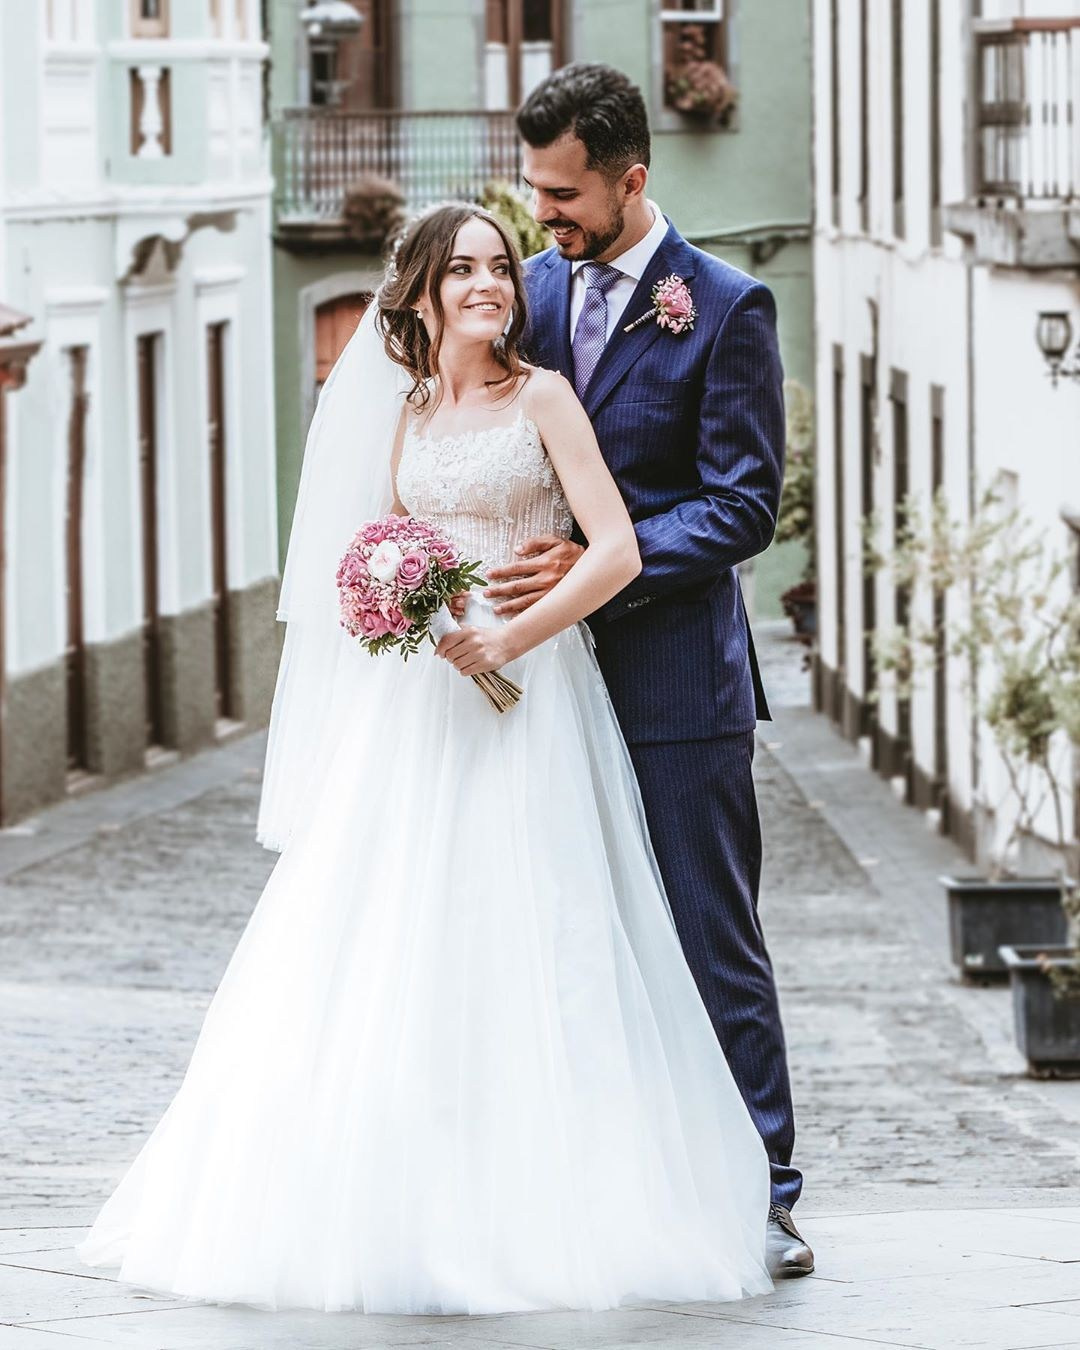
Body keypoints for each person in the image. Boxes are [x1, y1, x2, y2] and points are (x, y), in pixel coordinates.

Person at [75, 203, 773, 1314]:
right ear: (426, 295)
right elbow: (374, 551)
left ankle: (553, 1202)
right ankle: (398, 1195)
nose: (490, 284)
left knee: (541, 931)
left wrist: (511, 635)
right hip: (420, 709)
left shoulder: (544, 397)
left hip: (535, 697)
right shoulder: (402, 414)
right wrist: (402, 607)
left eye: (501, 266)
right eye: (465, 272)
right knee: (393, 939)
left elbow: (619, 548)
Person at [481, 64, 813, 1277]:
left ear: (632, 178)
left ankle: (766, 1188)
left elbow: (740, 508)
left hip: (677, 687)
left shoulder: (725, 307)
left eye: (565, 196)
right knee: (570, 936)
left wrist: (592, 562)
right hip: (547, 693)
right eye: (536, 194)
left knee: (706, 935)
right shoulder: (525, 292)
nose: (546, 217)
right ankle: (611, 1190)